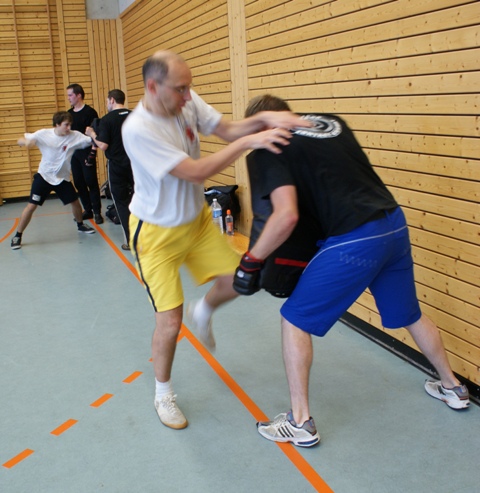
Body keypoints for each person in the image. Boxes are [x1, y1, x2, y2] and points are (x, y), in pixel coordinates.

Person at [233, 95, 470, 448]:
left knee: (294, 319)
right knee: (410, 313)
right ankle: (453, 387)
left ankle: (300, 422)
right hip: (393, 223)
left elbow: (285, 216)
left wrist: (251, 260)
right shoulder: (329, 122)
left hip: (356, 239)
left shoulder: (271, 147)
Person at [122, 51, 308, 430]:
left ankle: (204, 310)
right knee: (170, 323)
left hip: (197, 222)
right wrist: (252, 141)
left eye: (189, 87)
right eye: (181, 89)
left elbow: (225, 129)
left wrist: (263, 119)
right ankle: (163, 393)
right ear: (153, 87)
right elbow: (196, 171)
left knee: (240, 280)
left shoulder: (184, 99)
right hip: (156, 234)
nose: (189, 96)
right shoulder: (138, 129)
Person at [11, 111, 96, 250]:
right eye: (66, 125)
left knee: (75, 202)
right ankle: (18, 235)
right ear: (57, 124)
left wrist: (92, 133)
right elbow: (20, 140)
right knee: (31, 206)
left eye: (70, 125)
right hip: (44, 176)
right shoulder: (43, 134)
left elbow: (91, 140)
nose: (69, 128)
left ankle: (80, 225)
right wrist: (26, 142)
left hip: (61, 178)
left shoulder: (75, 136)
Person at [86, 89, 133, 250]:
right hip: (137, 165)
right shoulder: (136, 116)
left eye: (107, 101)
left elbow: (103, 145)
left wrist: (92, 134)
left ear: (112, 100)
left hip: (117, 166)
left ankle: (131, 241)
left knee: (120, 202)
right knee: (139, 200)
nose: (107, 104)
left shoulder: (107, 120)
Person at [66, 83, 103, 224]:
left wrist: (92, 153)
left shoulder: (90, 113)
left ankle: (97, 212)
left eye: (70, 95)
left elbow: (95, 135)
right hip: (74, 154)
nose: (68, 98)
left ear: (78, 95)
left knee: (91, 181)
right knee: (79, 182)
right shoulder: (68, 114)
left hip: (87, 152)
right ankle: (87, 210)